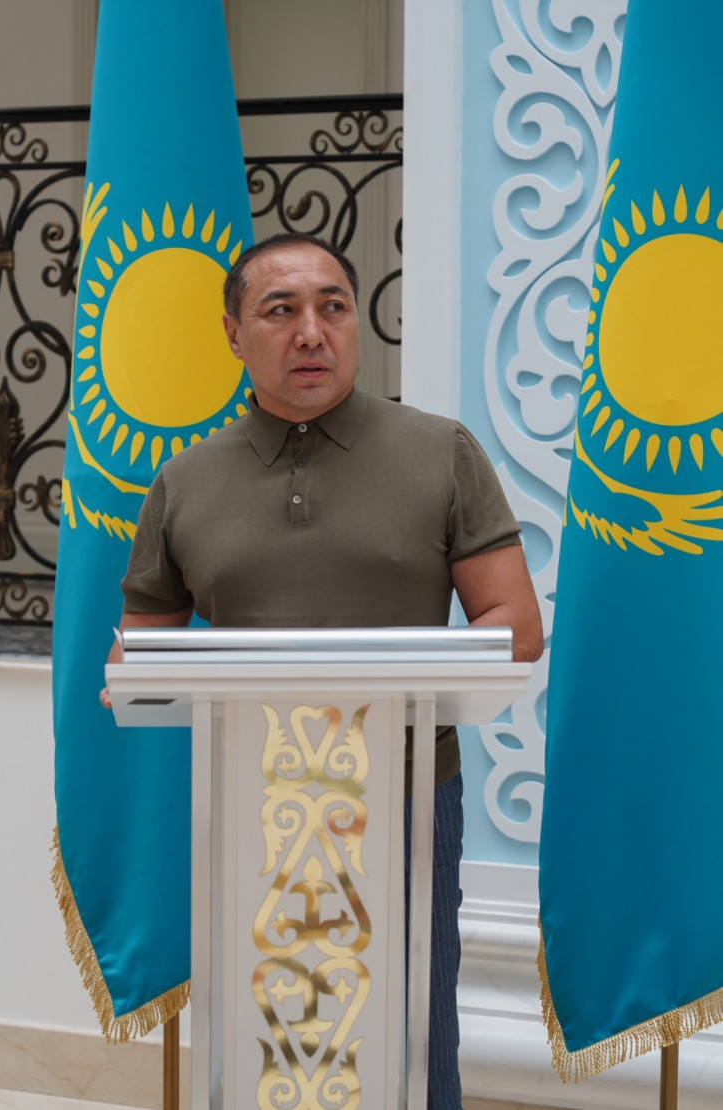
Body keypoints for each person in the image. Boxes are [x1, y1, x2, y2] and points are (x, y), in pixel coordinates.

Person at [102, 232, 543, 1109]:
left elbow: (515, 626)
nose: (311, 330)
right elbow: (137, 655)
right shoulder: (185, 481)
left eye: (332, 306)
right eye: (281, 310)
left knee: (412, 1041)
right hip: (250, 804)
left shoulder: (439, 451)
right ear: (234, 334)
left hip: (408, 797)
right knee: (265, 1041)